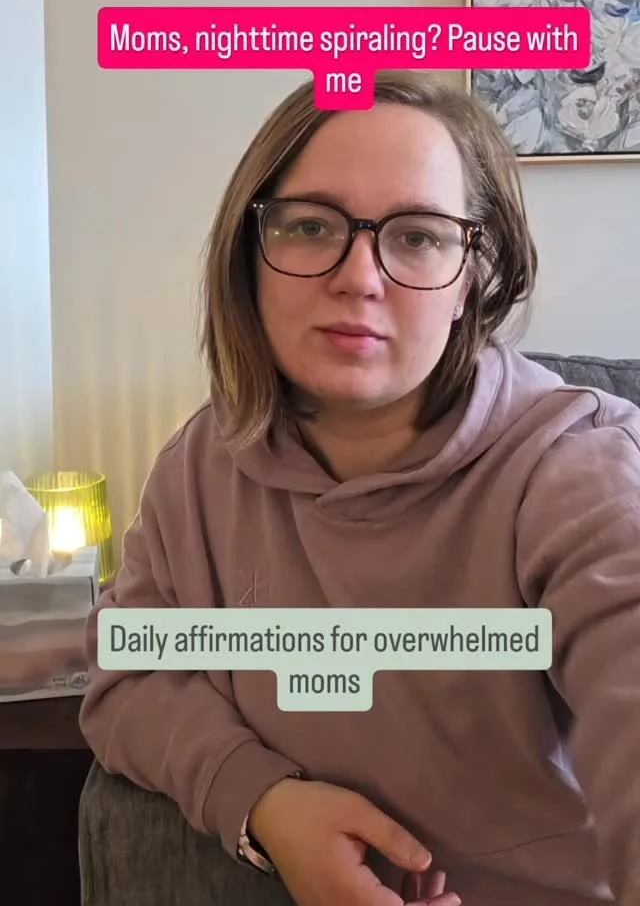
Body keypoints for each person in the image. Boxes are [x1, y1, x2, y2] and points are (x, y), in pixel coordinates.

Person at [79, 71, 640, 906]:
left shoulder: (579, 467)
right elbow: (127, 672)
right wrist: (263, 802)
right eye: (311, 225)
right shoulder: (201, 466)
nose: (360, 276)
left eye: (417, 236)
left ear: (472, 278)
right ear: (250, 254)